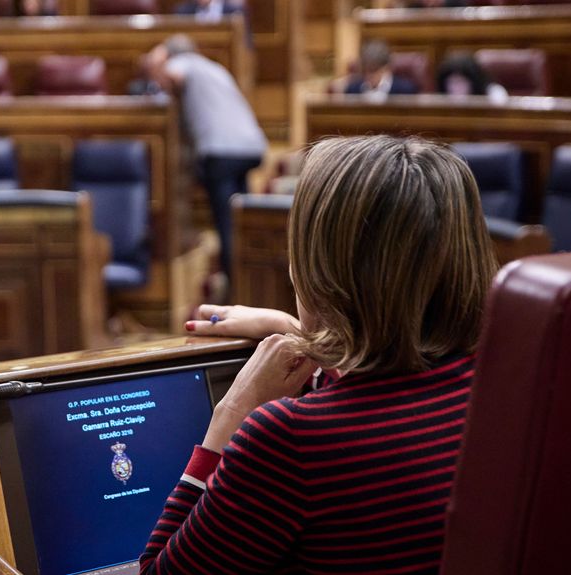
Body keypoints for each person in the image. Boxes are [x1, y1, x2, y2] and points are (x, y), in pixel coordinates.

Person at [139, 135, 498, 574]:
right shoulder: (502, 388)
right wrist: (310, 337)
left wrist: (230, 417)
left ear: (319, 269)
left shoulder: (289, 441)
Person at [147, 33, 267, 281]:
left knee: (226, 223)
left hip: (221, 152)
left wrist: (156, 63)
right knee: (240, 217)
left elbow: (173, 74)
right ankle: (249, 275)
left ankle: (235, 281)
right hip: (250, 147)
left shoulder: (185, 63)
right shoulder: (214, 68)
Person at [345, 39, 420, 96]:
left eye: (373, 70)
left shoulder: (405, 90)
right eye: (365, 70)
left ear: (386, 68)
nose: (368, 75)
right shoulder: (353, 90)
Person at [436, 52, 508, 101]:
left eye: (460, 82)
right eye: (451, 82)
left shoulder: (494, 94)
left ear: (473, 81)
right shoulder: (441, 99)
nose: (455, 88)